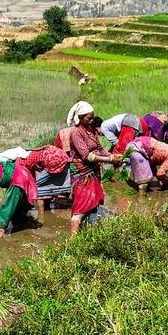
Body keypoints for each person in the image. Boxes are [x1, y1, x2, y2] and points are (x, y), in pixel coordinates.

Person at [67, 101, 121, 236]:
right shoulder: (75, 132)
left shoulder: (91, 130)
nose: (91, 120)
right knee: (80, 207)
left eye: (92, 117)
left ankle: (87, 231)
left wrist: (113, 155)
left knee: (92, 201)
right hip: (82, 173)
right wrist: (109, 160)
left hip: (92, 172)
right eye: (88, 118)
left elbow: (100, 149)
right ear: (79, 117)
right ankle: (72, 242)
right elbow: (87, 156)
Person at [17, 145, 71, 223]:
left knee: (37, 188)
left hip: (54, 159)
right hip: (61, 155)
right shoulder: (29, 153)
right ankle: (48, 208)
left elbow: (30, 177)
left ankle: (41, 217)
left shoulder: (21, 162)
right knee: (47, 183)